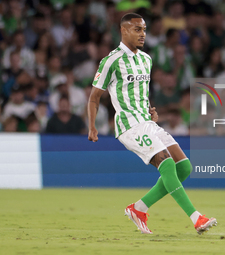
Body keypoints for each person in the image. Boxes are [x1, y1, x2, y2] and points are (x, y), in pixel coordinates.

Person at [87, 13, 217, 235]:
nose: (143, 34)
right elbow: (94, 97)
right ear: (124, 30)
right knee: (166, 164)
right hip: (128, 125)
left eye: (144, 30)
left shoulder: (146, 59)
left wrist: (149, 109)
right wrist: (92, 126)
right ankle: (196, 218)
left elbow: (140, 92)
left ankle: (139, 209)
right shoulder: (111, 60)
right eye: (137, 29)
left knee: (184, 167)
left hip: (146, 121)